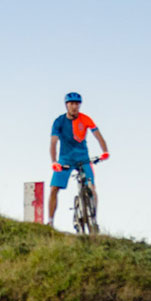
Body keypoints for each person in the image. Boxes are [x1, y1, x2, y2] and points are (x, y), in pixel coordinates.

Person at [47, 92, 108, 227]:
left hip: (83, 159)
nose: (74, 107)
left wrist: (105, 151)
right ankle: (50, 221)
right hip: (65, 160)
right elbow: (53, 142)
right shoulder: (59, 121)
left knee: (92, 188)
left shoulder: (85, 119)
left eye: (77, 104)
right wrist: (54, 162)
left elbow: (98, 136)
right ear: (66, 105)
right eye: (71, 104)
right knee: (54, 189)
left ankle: (93, 220)